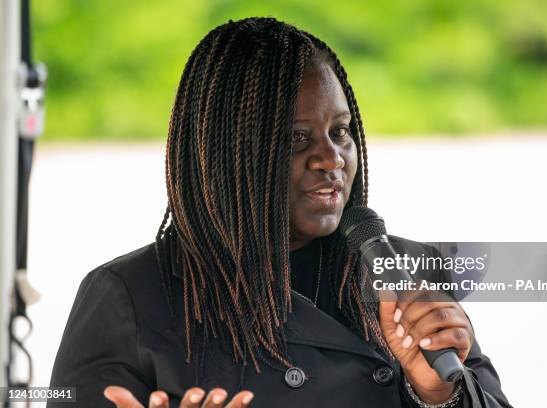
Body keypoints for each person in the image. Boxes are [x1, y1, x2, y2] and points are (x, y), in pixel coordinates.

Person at [49, 17, 512, 408]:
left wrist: (439, 396)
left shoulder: (407, 274)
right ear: (226, 152)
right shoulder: (131, 296)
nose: (331, 160)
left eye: (341, 132)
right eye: (296, 139)